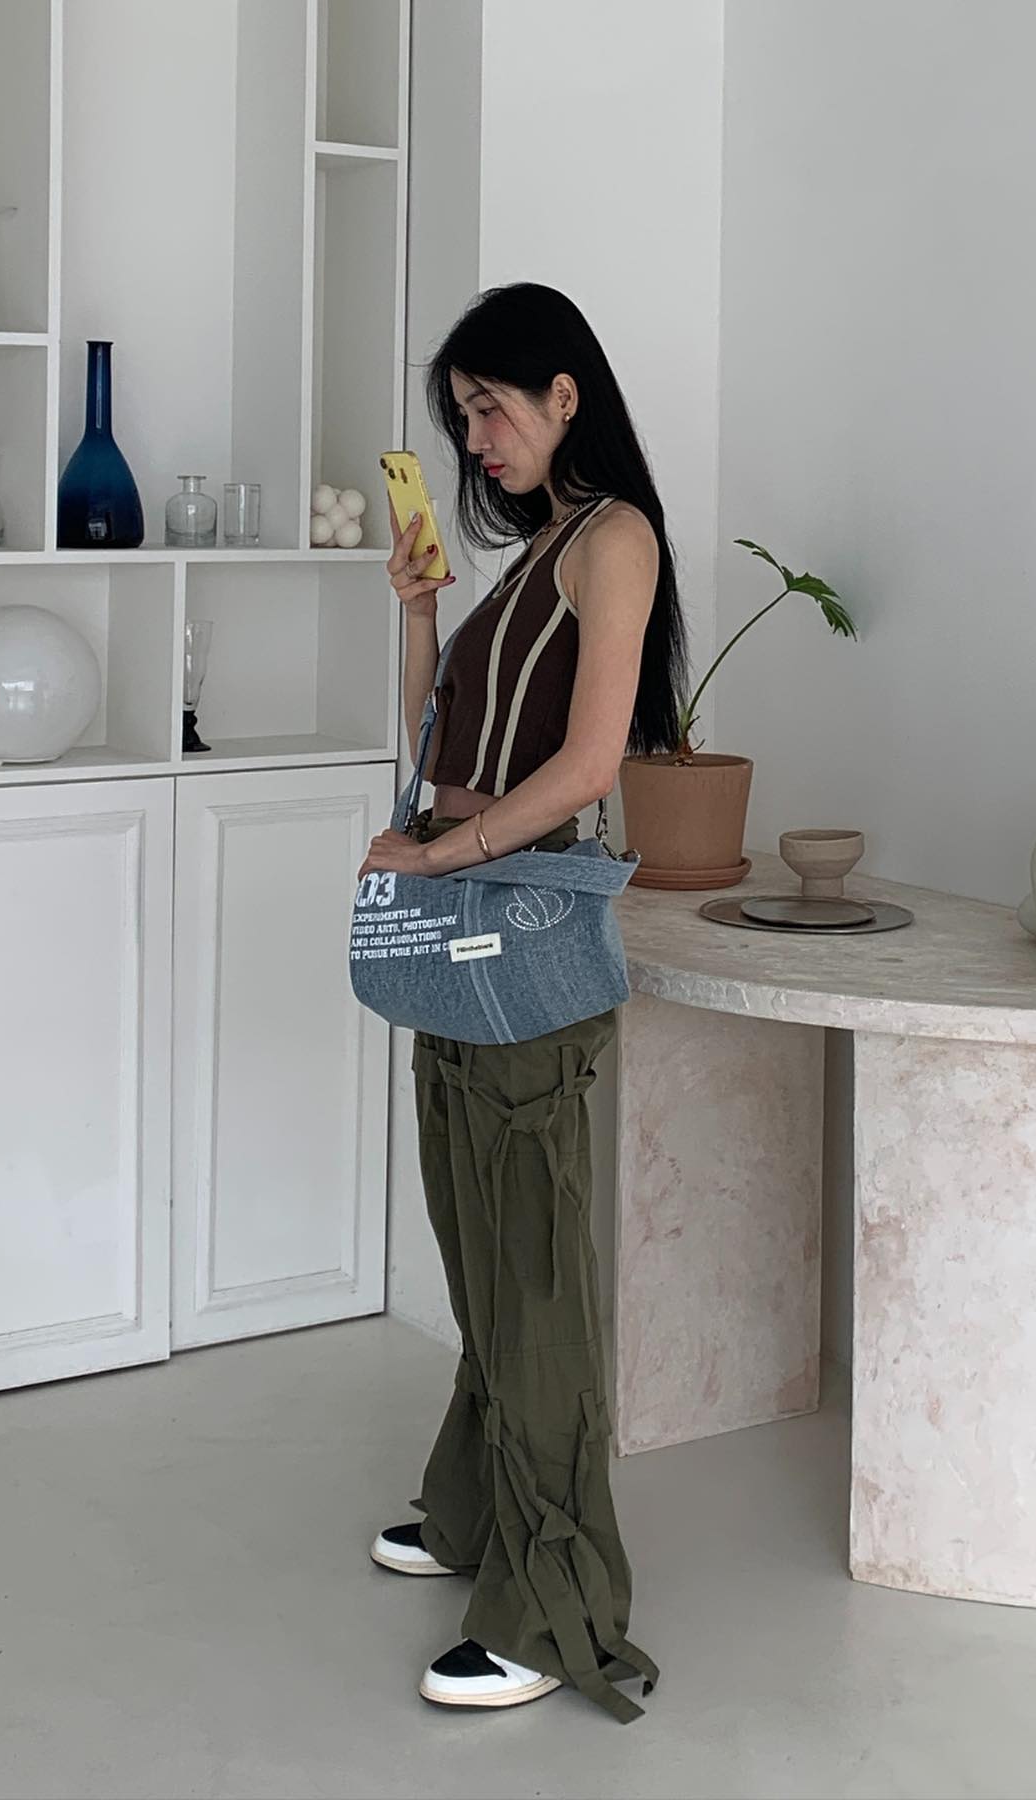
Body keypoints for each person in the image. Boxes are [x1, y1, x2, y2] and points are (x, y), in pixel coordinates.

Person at [358, 282, 688, 1721]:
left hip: (520, 922)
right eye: (461, 419)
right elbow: (446, 750)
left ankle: (557, 1611)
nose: (477, 440)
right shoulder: (538, 548)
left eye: (491, 408)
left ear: (565, 394)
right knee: (479, 1245)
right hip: (467, 924)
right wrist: (422, 612)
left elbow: (589, 765)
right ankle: (476, 1507)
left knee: (535, 1272)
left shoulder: (614, 539)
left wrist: (442, 856)